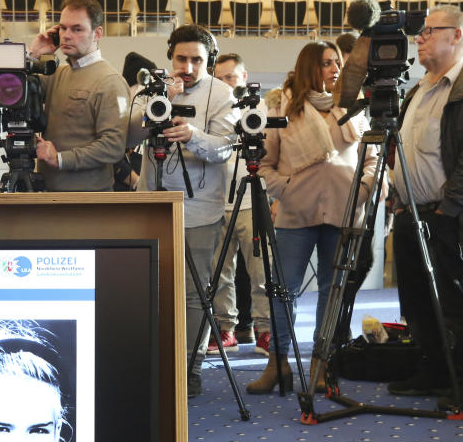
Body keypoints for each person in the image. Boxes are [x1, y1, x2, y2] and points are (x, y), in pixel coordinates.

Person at [388, 5, 463, 411]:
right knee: (416, 300)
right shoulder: (417, 90)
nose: (418, 37)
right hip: (410, 212)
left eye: (429, 30)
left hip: (446, 214)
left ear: (456, 36)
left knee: (452, 301)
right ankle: (435, 370)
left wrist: (448, 209)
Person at [251, 41, 376, 394]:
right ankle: (277, 364)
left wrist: (363, 191)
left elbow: (371, 158)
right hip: (295, 214)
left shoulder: (351, 107)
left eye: (337, 62)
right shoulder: (283, 108)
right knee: (282, 291)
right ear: (309, 67)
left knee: (331, 291)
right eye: (326, 63)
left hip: (344, 212)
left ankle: (321, 365)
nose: (335, 68)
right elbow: (264, 164)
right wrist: (286, 189)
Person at [133, 25, 239, 396]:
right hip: (150, 203)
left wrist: (193, 134)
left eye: (197, 60)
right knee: (148, 288)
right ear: (170, 57)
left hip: (199, 210)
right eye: (182, 58)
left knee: (195, 293)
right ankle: (149, 362)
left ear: (208, 60)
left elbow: (226, 147)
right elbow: (127, 136)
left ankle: (188, 368)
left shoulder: (223, 93)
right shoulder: (151, 87)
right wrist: (157, 98)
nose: (188, 67)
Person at [27, 0, 130, 191]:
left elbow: (113, 146)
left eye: (77, 29)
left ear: (97, 33)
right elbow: (6, 90)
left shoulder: (110, 81)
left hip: (90, 199)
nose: (66, 35)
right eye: (63, 28)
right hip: (49, 194)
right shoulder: (57, 74)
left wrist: (60, 159)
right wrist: (34, 55)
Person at [206, 52, 272, 357]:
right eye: (219, 78)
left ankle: (265, 331)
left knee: (260, 272)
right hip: (217, 200)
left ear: (243, 77)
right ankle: (226, 329)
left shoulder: (260, 108)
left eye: (230, 77)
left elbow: (271, 151)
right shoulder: (212, 107)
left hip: (251, 199)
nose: (225, 83)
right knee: (219, 274)